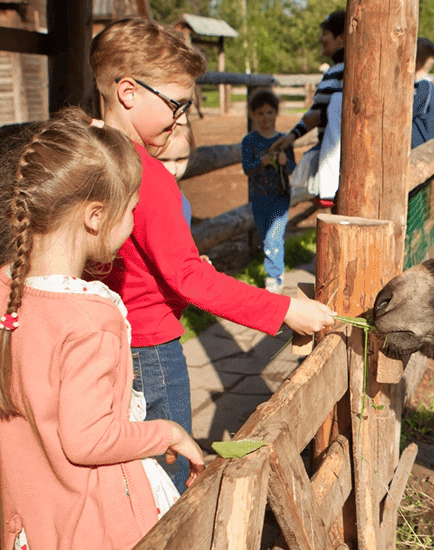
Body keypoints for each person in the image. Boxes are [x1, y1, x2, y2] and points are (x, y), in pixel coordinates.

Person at [89, 17, 336, 492]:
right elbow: (187, 278)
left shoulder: (87, 154)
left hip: (104, 343)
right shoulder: (149, 176)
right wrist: (285, 308)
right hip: (152, 351)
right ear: (128, 92)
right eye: (176, 105)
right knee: (170, 472)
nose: (181, 119)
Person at [0, 107, 205, 550]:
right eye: (131, 210)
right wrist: (169, 432)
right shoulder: (91, 320)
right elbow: (89, 439)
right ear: (95, 216)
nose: (132, 223)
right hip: (97, 525)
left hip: (29, 526)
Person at [266, 10, 347, 188]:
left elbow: (322, 113)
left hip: (339, 160)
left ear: (341, 38)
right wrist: (292, 136)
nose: (320, 38)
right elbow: (318, 114)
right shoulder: (337, 71)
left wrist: (293, 135)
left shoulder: (340, 71)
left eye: (325, 33)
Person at [242, 89, 296, 292]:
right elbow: (247, 169)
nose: (266, 118)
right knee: (267, 238)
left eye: (270, 112)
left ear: (276, 113)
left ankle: (273, 278)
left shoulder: (283, 141)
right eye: (261, 113)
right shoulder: (249, 141)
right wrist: (261, 162)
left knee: (273, 237)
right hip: (259, 197)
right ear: (253, 115)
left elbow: (292, 169)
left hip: (280, 197)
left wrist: (285, 162)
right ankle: (278, 269)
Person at [412, 37, 434, 148]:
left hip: (420, 148)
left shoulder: (424, 87)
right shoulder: (425, 86)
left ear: (417, 60)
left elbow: (409, 113)